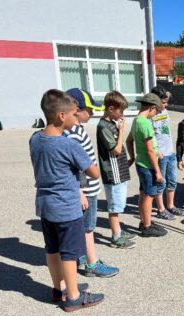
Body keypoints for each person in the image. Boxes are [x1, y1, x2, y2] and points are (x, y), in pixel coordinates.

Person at [30, 89, 104, 311]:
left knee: (52, 249)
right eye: (74, 113)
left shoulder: (35, 139)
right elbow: (94, 173)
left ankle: (58, 288)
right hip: (67, 206)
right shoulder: (69, 145)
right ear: (62, 116)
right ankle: (73, 296)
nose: (76, 117)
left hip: (45, 205)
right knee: (70, 253)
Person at [65, 88, 119, 277]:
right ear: (76, 109)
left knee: (84, 226)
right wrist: (80, 190)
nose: (94, 112)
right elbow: (74, 166)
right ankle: (92, 264)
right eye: (90, 109)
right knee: (88, 227)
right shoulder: (73, 133)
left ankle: (82, 255)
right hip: (85, 190)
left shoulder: (76, 129)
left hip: (88, 188)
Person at [96, 91, 137, 248]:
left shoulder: (111, 123)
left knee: (119, 204)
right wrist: (121, 130)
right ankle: (116, 237)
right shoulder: (103, 126)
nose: (122, 114)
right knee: (114, 207)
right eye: (121, 110)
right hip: (113, 174)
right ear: (111, 108)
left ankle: (118, 230)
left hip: (120, 171)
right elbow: (117, 150)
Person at [126, 93, 168, 237]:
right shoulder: (145, 123)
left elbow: (129, 140)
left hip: (140, 163)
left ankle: (144, 220)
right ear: (151, 108)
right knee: (149, 196)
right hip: (148, 165)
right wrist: (158, 171)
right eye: (156, 110)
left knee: (143, 194)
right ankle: (147, 227)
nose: (156, 113)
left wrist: (132, 157)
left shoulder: (136, 120)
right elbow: (150, 150)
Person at [150, 87, 184, 220]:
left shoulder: (165, 111)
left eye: (166, 102)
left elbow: (166, 131)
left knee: (172, 181)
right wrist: (157, 151)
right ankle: (161, 209)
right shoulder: (150, 115)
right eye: (163, 102)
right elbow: (150, 136)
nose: (166, 105)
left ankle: (170, 206)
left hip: (170, 152)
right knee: (161, 183)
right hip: (161, 154)